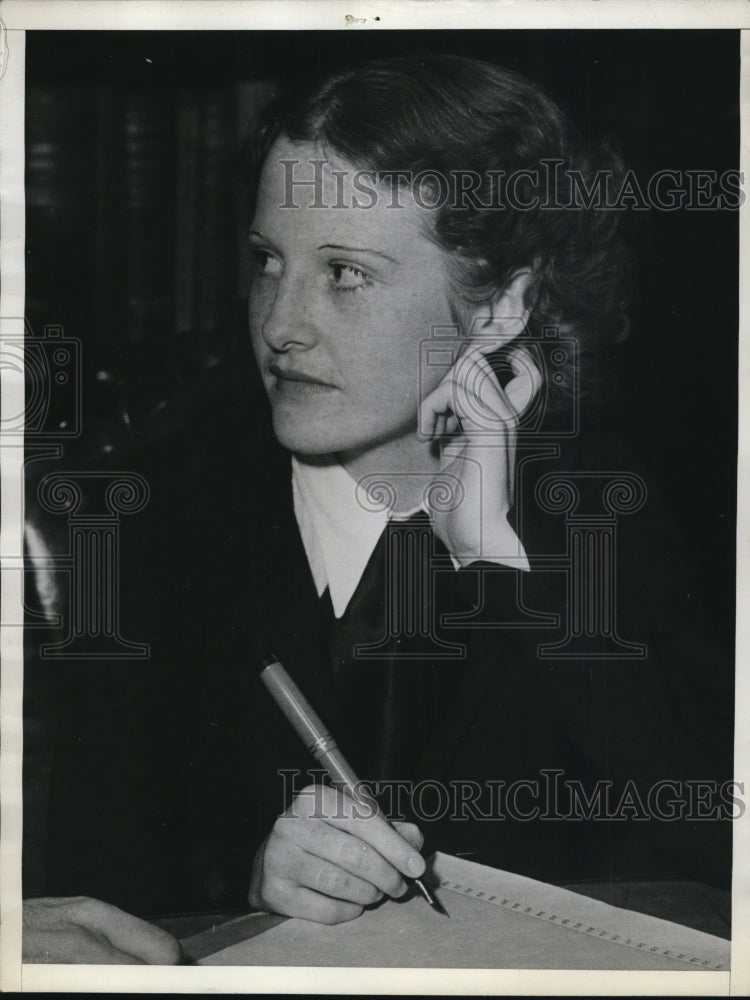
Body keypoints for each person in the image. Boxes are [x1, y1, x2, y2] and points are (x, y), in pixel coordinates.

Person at [22, 55, 733, 960]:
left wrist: (495, 558)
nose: (281, 323)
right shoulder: (145, 519)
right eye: (267, 260)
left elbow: (713, 843)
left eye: (346, 273)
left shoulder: (596, 506)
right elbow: (93, 906)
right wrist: (249, 890)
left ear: (502, 304)